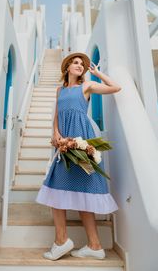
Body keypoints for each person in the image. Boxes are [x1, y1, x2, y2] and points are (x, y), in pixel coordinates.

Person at [36, 52, 121, 261]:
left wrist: (97, 73)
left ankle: (90, 245)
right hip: (64, 145)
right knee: (56, 189)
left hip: (82, 144)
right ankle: (69, 242)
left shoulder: (86, 87)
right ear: (66, 67)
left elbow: (115, 87)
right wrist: (56, 134)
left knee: (85, 191)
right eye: (75, 63)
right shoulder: (60, 91)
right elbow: (57, 116)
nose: (79, 66)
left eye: (82, 64)